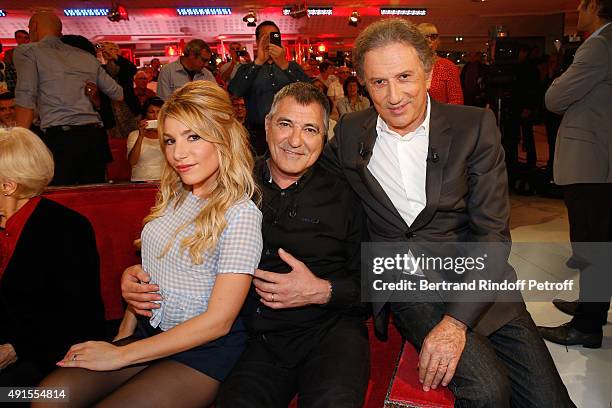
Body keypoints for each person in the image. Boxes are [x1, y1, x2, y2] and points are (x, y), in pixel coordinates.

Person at [323, 19, 574, 407]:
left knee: (549, 401)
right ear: (363, 84)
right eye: (378, 82)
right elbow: (304, 168)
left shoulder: (473, 126)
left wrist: (456, 323)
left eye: (404, 76)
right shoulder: (351, 132)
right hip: (404, 280)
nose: (393, 95)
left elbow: (492, 233)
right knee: (486, 390)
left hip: (479, 280)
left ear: (427, 73)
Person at [121, 83, 369, 407]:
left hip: (332, 333)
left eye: (310, 129)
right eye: (285, 124)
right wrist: (137, 275)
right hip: (258, 339)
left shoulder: (350, 194)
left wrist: (322, 290)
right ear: (266, 125)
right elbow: (179, 243)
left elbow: (381, 281)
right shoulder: (231, 182)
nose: (295, 141)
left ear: (325, 135)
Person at [36, 81, 263, 408]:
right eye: (170, 140)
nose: (178, 153)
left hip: (205, 348)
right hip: (150, 330)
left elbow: (219, 321)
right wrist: (121, 336)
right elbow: (149, 276)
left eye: (193, 137)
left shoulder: (241, 213)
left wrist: (120, 355)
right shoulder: (174, 194)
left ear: (224, 137)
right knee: (47, 397)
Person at [0, 127, 105, 386]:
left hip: (48, 359)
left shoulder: (66, 229)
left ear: (8, 186)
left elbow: (78, 317)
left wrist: (15, 348)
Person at [538, 0, 612, 348]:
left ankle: (587, 326)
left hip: (593, 161)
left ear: (594, 6)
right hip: (599, 158)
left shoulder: (599, 44)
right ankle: (589, 309)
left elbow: (554, 97)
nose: (578, 9)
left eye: (582, 3)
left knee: (593, 245)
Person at [14, 11, 123, 185]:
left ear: (34, 27)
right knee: (92, 202)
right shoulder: (86, 56)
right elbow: (118, 93)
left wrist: (19, 141)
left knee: (60, 200)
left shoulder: (28, 51)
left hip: (62, 139)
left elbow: (25, 95)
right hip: (95, 137)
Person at [228, 20, 310, 155]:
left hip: (290, 132)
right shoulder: (247, 68)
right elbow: (235, 91)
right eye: (264, 37)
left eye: (273, 36)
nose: (269, 40)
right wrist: (258, 62)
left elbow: (309, 92)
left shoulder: (292, 67)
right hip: (257, 134)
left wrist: (284, 66)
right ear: (257, 41)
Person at [417, 23, 463, 105]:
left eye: (433, 37)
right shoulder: (410, 65)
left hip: (441, 116)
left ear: (437, 41)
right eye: (425, 37)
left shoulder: (448, 66)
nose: (430, 41)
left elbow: (456, 101)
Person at [126, 97, 165, 181]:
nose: (156, 116)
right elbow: (132, 162)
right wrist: (141, 136)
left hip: (164, 180)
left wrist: (163, 132)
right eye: (151, 112)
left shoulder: (169, 134)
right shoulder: (134, 135)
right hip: (140, 181)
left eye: (159, 112)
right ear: (145, 115)